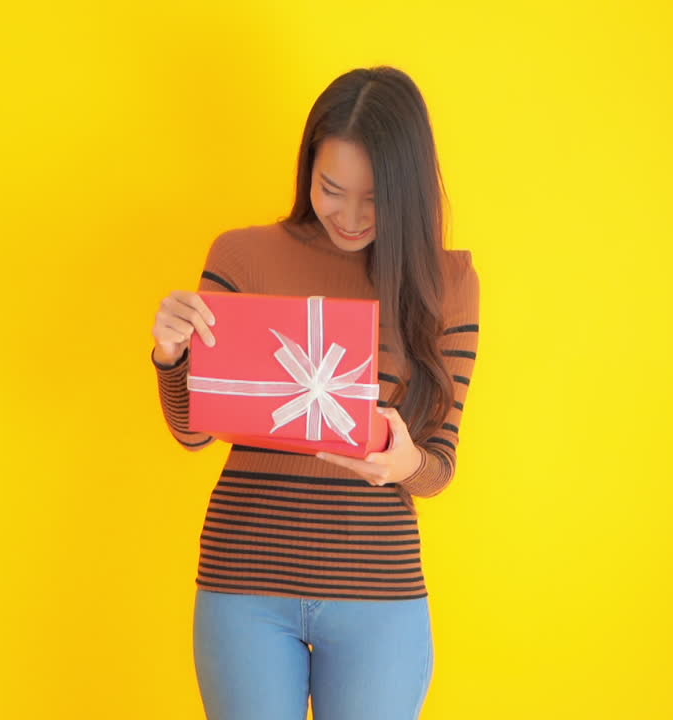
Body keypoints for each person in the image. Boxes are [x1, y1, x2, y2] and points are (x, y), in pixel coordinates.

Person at [150, 66, 481, 720]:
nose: (351, 216)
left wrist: (403, 462)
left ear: (408, 192)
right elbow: (193, 431)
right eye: (332, 188)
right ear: (307, 170)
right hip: (243, 584)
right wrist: (170, 355)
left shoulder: (448, 281)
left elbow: (439, 466)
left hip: (378, 595)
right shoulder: (241, 256)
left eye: (375, 198)